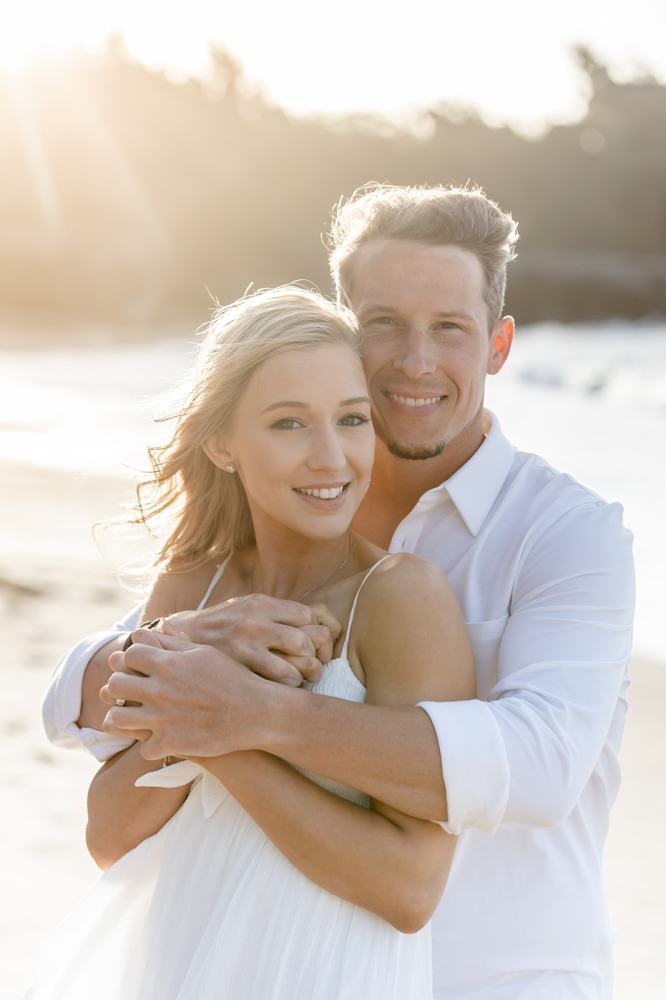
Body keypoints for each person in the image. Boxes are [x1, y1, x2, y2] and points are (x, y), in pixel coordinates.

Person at [43, 184, 635, 999]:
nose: (415, 360)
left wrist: (246, 716)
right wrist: (180, 658)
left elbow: (540, 764)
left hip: (501, 979)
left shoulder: (570, 533)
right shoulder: (254, 538)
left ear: (498, 346)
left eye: (450, 330)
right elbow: (92, 705)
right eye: (384, 323)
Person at [28, 285, 475, 999]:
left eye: (352, 419)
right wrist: (199, 710)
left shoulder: (400, 597)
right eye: (289, 423)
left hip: (320, 975)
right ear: (223, 444)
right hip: (176, 960)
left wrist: (225, 725)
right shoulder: (194, 588)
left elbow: (412, 889)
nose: (331, 458)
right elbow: (109, 838)